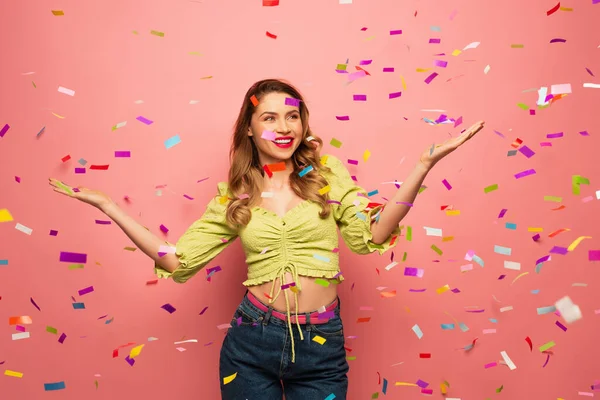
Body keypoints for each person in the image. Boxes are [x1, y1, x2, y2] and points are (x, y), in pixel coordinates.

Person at [49, 78, 484, 400]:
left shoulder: (327, 174)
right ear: (251, 130)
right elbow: (175, 261)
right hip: (251, 341)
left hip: (321, 343)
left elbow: (372, 235)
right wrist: (110, 208)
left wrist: (422, 168)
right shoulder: (236, 197)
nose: (285, 126)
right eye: (270, 117)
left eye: (293, 115)